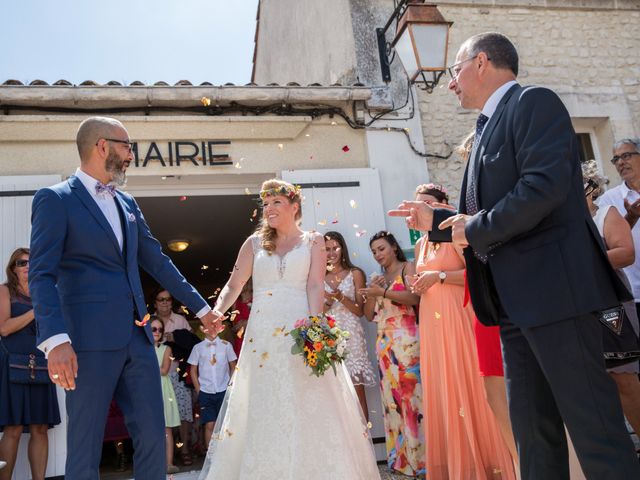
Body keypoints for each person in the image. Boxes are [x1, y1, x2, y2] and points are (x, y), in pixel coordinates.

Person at [390, 32, 640, 478]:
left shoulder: (533, 103)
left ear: (481, 63)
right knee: (533, 433)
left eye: (455, 71)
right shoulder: (486, 127)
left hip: (557, 298)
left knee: (594, 429)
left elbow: (541, 189)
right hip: (511, 307)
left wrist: (473, 227)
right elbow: (490, 211)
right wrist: (441, 221)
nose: (450, 83)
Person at [28, 116, 223, 479]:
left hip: (137, 338)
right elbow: (40, 274)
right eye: (126, 146)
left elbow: (158, 262)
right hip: (85, 342)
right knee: (85, 443)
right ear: (101, 146)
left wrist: (201, 307)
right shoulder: (55, 200)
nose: (131, 155)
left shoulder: (128, 203)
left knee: (151, 433)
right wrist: (55, 341)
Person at [198, 179, 380, 480]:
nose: (268, 208)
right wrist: (218, 311)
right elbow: (235, 284)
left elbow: (313, 285)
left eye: (276, 202)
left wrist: (315, 328)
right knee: (265, 396)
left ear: (294, 206)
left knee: (307, 394)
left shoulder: (314, 241)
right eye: (265, 203)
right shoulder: (254, 243)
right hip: (263, 331)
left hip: (299, 326)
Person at [411, 184, 516, 479]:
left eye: (429, 203)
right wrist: (420, 283)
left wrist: (439, 275)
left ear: (443, 206)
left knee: (470, 380)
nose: (423, 209)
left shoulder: (456, 236)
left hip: (460, 315)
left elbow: (476, 273)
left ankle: (494, 462)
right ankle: (459, 465)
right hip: (434, 323)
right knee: (444, 384)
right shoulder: (421, 244)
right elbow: (424, 276)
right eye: (419, 204)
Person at [583, 160, 640, 438]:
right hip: (578, 308)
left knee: (624, 378)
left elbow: (626, 253)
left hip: (610, 305)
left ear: (590, 187)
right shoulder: (561, 225)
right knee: (592, 382)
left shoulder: (606, 214)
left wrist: (580, 261)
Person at [361, 231, 425, 477]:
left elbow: (414, 298)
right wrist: (372, 291)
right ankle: (401, 460)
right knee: (392, 401)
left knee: (412, 398)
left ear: (393, 248)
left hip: (407, 339)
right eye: (374, 251)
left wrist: (384, 293)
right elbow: (368, 314)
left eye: (381, 249)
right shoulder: (378, 278)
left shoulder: (407, 268)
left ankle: (421, 460)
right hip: (384, 342)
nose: (378, 254)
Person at [0, 248, 60, 480]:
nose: (27, 266)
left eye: (31, 262)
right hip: (13, 365)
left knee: (40, 428)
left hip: (43, 364)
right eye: (22, 262)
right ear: (13, 267)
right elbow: (4, 328)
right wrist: (37, 311)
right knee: (13, 428)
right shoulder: (5, 291)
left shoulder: (45, 293)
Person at [323, 231, 376, 420]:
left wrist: (341, 297)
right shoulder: (318, 277)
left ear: (342, 248)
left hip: (352, 335)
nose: (332, 253)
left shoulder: (355, 273)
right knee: (334, 392)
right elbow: (317, 312)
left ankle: (365, 440)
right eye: (327, 249)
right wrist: (329, 302)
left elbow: (360, 311)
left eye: (335, 247)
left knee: (356, 390)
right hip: (328, 336)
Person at [152, 287, 194, 467]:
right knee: (159, 418)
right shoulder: (150, 321)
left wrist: (176, 339)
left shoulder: (181, 320)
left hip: (178, 374)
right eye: (161, 299)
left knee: (184, 413)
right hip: (155, 380)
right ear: (155, 303)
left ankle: (184, 449)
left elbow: (193, 344)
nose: (164, 302)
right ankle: (160, 455)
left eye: (167, 299)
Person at [598, 138, 640, 317]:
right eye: (616, 159)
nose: (621, 162)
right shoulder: (608, 200)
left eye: (626, 155)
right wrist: (630, 218)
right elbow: (606, 246)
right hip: (635, 294)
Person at [188, 325, 237, 449]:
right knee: (210, 424)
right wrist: (199, 389)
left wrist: (230, 385)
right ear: (202, 328)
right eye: (208, 326)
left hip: (223, 390)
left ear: (221, 328)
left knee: (225, 424)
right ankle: (211, 456)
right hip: (206, 391)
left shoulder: (226, 346)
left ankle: (225, 453)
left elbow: (233, 366)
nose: (212, 328)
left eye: (215, 326)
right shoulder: (197, 348)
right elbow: (193, 370)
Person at [151, 317, 181, 475]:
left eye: (160, 329)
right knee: (148, 428)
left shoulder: (166, 348)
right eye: (153, 329)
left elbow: (164, 370)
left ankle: (168, 463)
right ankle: (152, 464)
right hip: (146, 390)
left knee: (166, 427)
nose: (157, 332)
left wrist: (146, 369)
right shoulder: (142, 348)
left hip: (163, 389)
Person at [230, 280, 252, 356]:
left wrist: (245, 323)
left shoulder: (256, 298)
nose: (241, 284)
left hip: (253, 336)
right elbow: (234, 324)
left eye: (244, 282)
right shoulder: (235, 301)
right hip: (240, 339)